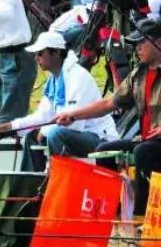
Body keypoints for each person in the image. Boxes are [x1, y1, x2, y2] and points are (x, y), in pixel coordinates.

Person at [56, 19, 161, 216]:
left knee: (143, 152)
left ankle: (140, 216)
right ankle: (112, 210)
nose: (137, 48)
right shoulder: (138, 74)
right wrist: (73, 114)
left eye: (141, 42)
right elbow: (108, 104)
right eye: (134, 44)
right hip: (148, 141)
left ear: (159, 42)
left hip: (153, 144)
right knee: (105, 151)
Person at [0, 31, 118, 169]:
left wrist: (44, 131)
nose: (36, 58)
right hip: (78, 135)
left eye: (40, 54)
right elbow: (42, 116)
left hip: (101, 140)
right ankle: (30, 185)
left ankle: (57, 181)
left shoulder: (77, 76)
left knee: (55, 134)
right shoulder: (54, 79)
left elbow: (74, 124)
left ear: (55, 53)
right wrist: (11, 127)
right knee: (31, 136)